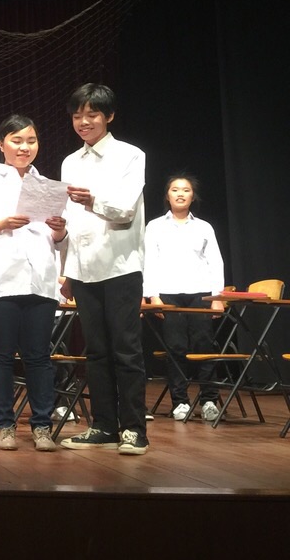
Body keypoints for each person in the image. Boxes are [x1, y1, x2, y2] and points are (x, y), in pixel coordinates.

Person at [0, 116, 67, 452]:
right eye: (17, 140)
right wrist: (3, 223)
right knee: (2, 355)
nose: (24, 147)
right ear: (1, 144)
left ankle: (42, 426)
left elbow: (60, 239)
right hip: (1, 281)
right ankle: (5, 426)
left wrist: (60, 230)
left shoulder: (48, 185)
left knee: (39, 356)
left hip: (41, 281)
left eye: (31, 141)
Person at [58, 83, 150, 455]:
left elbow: (125, 210)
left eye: (92, 114)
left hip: (120, 265)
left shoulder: (130, 155)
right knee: (95, 351)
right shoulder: (70, 162)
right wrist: (66, 264)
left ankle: (134, 429)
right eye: (77, 115)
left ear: (109, 116)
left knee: (126, 349)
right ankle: (103, 426)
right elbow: (71, 220)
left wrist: (92, 199)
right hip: (83, 269)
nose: (83, 122)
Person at [143, 173, 225, 422]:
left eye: (186, 190)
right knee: (175, 348)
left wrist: (217, 296)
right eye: (175, 190)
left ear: (193, 196)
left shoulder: (204, 227)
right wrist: (153, 295)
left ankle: (209, 400)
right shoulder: (155, 226)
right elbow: (149, 262)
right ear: (167, 196)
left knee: (204, 346)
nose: (180, 194)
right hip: (169, 293)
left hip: (200, 293)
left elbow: (215, 262)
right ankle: (180, 401)